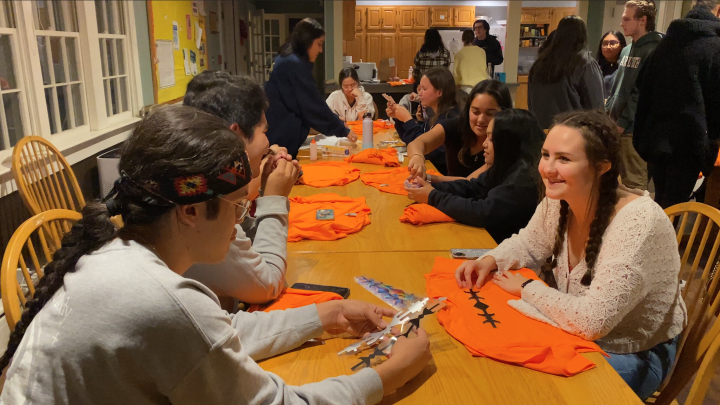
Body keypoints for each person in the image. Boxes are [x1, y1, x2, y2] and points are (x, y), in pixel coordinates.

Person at [0, 105, 433, 404]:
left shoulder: (119, 255)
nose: (240, 221)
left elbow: (215, 334)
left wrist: (325, 316)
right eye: (237, 208)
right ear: (189, 210)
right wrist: (391, 373)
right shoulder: (158, 300)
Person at [455, 110, 686, 401]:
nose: (548, 168)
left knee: (529, 389)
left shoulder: (638, 223)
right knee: (493, 364)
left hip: (634, 351)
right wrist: (491, 259)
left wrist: (528, 288)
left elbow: (593, 322)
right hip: (574, 330)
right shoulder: (562, 197)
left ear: (601, 167)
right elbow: (528, 243)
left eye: (564, 159)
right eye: (546, 154)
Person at [182, 71, 298, 305]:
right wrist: (274, 198)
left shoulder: (196, 174)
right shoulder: (205, 202)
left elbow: (247, 249)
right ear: (234, 135)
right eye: (264, 132)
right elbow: (267, 285)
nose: (269, 143)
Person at [404, 109, 544, 243]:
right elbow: (472, 187)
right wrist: (429, 187)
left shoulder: (524, 179)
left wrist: (432, 196)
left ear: (508, 142)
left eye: (491, 138)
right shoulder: (505, 165)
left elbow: (483, 213)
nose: (484, 144)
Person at [634, 0, 720, 208]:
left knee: (662, 204)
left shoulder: (666, 43)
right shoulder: (714, 46)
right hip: (691, 142)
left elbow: (641, 84)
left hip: (656, 139)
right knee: (675, 208)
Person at [265, 18, 358, 157]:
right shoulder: (294, 64)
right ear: (307, 41)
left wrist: (334, 120)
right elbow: (311, 104)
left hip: (275, 129)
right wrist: (341, 129)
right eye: (319, 44)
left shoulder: (285, 58)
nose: (320, 50)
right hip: (281, 135)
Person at [406, 80, 513, 180]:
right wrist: (417, 156)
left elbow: (469, 185)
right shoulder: (456, 125)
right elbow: (418, 143)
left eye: (490, 114)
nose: (480, 120)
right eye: (475, 112)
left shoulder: (506, 144)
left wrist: (429, 178)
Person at [605, 0, 661, 191]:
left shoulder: (655, 49)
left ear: (642, 20)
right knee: (614, 183)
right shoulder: (627, 50)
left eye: (627, 19)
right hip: (615, 125)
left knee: (634, 185)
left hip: (633, 130)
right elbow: (617, 87)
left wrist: (622, 122)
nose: (622, 24)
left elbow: (642, 92)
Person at [528, 15, 604, 129]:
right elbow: (596, 106)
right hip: (573, 133)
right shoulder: (585, 63)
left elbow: (531, 102)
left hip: (543, 132)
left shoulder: (539, 64)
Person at [387, 67, 462, 175]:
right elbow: (411, 140)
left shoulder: (450, 118)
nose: (420, 94)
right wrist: (399, 119)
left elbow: (429, 151)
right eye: (419, 89)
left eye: (424, 89)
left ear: (439, 92)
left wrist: (408, 120)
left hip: (444, 177)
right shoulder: (433, 113)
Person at [453, 30, 490, 94]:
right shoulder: (481, 51)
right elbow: (485, 68)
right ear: (474, 39)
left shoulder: (459, 54)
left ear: (462, 40)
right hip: (481, 86)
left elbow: (455, 74)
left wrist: (456, 86)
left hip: (466, 88)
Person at [597, 31, 627, 98]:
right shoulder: (595, 68)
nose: (608, 47)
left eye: (612, 43)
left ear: (622, 46)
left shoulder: (625, 69)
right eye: (605, 43)